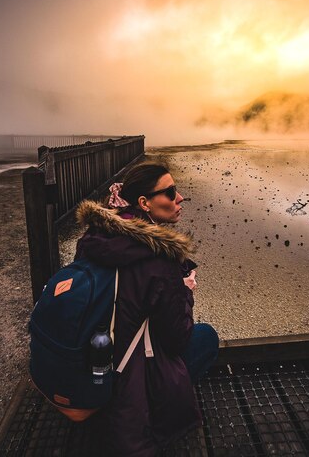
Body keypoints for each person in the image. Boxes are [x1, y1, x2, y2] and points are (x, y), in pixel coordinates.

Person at [75, 161, 219, 456]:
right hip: (129, 386)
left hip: (93, 360)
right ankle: (156, 409)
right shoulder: (160, 257)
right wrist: (184, 291)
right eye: (170, 192)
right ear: (144, 203)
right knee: (206, 337)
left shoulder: (93, 238)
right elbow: (177, 339)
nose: (180, 198)